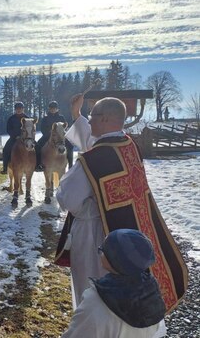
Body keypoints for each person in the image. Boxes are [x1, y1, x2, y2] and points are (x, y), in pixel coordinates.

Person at [54, 93, 187, 313]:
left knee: (92, 290)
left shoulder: (93, 159)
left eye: (93, 116)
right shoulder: (128, 145)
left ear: (105, 119)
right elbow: (97, 145)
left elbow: (68, 198)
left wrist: (88, 205)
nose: (90, 120)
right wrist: (77, 116)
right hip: (130, 231)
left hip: (95, 235)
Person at [62, 229, 166, 338]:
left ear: (115, 260)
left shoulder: (96, 301)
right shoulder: (152, 291)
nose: (100, 251)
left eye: (103, 250)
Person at [35, 100, 74, 171]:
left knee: (70, 146)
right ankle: (38, 164)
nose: (53, 109)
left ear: (57, 109)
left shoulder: (61, 117)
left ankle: (70, 165)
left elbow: (64, 128)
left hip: (60, 137)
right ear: (49, 109)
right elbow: (42, 129)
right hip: (47, 136)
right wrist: (50, 134)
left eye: (54, 108)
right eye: (51, 108)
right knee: (37, 146)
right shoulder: (45, 118)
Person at [1, 101, 28, 174]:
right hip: (14, 138)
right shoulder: (11, 119)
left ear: (23, 109)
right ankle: (5, 168)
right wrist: (15, 136)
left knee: (37, 147)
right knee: (5, 150)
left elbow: (30, 129)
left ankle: (36, 165)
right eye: (17, 109)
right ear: (15, 110)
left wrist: (24, 137)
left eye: (20, 108)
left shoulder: (27, 118)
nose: (19, 110)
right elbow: (8, 129)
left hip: (25, 139)